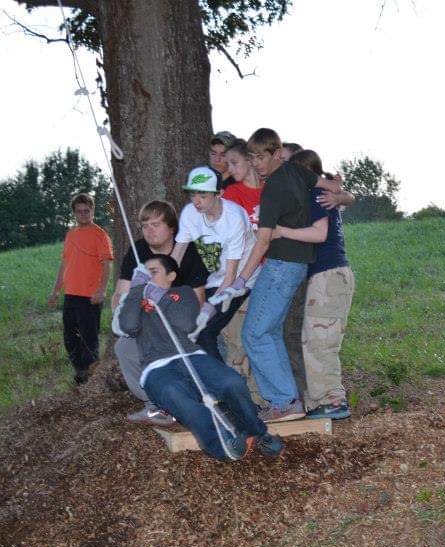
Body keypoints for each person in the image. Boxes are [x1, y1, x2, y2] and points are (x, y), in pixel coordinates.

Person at [116, 254, 284, 461]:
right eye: (144, 274)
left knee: (232, 383)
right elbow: (127, 326)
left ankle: (257, 432)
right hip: (156, 368)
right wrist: (135, 291)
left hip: (192, 357)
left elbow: (187, 323)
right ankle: (221, 444)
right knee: (175, 394)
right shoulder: (137, 302)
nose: (147, 277)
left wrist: (161, 296)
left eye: (154, 272)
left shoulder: (182, 293)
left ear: (171, 276)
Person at [225, 128, 340, 422]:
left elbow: (263, 240)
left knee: (253, 332)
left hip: (279, 266)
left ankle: (282, 401)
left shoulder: (273, 187)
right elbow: (329, 184)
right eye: (251, 157)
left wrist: (239, 280)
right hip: (297, 266)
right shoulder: (297, 172)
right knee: (270, 331)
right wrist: (342, 192)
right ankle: (288, 402)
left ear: (276, 153)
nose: (256, 163)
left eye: (261, 157)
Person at [111, 200, 210, 425]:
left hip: (180, 323)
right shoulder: (138, 251)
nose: (150, 230)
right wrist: (124, 316)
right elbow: (120, 294)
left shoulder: (188, 251)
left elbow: (198, 300)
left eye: (156, 224)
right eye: (145, 225)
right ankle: (156, 404)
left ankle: (186, 399)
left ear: (172, 227)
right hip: (145, 321)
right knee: (124, 347)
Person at [275, 150, 355, 420]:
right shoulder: (316, 196)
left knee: (321, 340)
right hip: (328, 276)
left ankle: (332, 401)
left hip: (328, 275)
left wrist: (282, 232)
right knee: (316, 338)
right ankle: (323, 400)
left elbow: (319, 234)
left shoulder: (314, 195)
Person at [172, 166, 258, 362]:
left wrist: (210, 306)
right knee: (191, 328)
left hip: (239, 281)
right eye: (193, 194)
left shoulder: (234, 218)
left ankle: (223, 386)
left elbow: (231, 276)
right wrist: (158, 282)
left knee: (205, 331)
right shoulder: (189, 213)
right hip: (214, 280)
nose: (196, 201)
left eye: (203, 195)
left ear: (219, 193)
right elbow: (176, 255)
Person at [47, 193, 113, 384]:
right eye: (79, 211)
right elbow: (64, 264)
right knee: (70, 337)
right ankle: (81, 372)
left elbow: (107, 264)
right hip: (71, 295)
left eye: (87, 211)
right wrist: (56, 290)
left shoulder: (100, 235)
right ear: (74, 213)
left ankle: (92, 379)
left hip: (90, 296)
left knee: (89, 339)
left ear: (92, 211)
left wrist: (101, 290)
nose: (83, 214)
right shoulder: (71, 235)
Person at [223, 140, 263, 228]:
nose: (229, 169)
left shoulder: (271, 187)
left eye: (234, 163)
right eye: (228, 164)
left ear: (249, 160)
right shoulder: (232, 192)